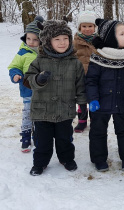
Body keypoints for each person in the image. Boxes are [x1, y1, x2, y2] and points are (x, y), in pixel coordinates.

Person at [24, 20, 87, 176]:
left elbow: (80, 86)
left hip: (64, 110)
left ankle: (66, 158)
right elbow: (28, 80)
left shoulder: (75, 63)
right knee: (42, 141)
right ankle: (40, 163)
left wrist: (82, 105)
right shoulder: (39, 60)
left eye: (65, 38)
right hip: (42, 111)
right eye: (57, 39)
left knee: (64, 139)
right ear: (48, 41)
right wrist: (38, 79)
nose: (62, 42)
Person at [86, 19, 124, 172]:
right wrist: (93, 99)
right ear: (111, 38)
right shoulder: (98, 57)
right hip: (101, 103)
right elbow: (91, 81)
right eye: (122, 34)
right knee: (98, 131)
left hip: (122, 101)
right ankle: (99, 159)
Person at [8, 16, 44, 153]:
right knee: (28, 113)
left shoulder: (44, 53)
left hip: (42, 91)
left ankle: (39, 135)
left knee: (40, 114)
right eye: (28, 38)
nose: (31, 42)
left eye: (35, 39)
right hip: (27, 90)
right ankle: (25, 136)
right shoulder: (22, 53)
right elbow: (14, 66)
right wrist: (15, 74)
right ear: (25, 37)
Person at [73, 5, 97, 133]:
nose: (87, 29)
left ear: (94, 27)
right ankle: (82, 121)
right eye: (84, 26)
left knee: (94, 98)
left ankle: (95, 120)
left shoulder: (99, 41)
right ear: (80, 27)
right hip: (80, 76)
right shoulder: (75, 42)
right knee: (81, 99)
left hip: (95, 76)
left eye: (90, 26)